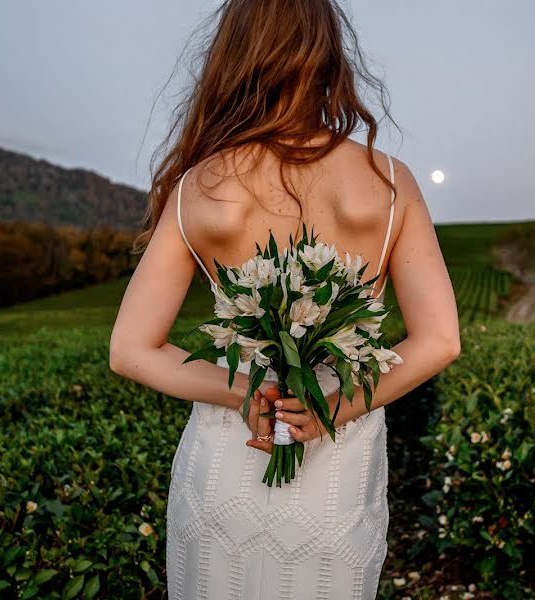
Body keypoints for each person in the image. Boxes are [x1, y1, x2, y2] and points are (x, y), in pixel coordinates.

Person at [108, 0, 460, 597]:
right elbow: (440, 340)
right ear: (328, 55)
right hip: (337, 471)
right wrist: (336, 405)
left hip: (226, 461)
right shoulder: (388, 181)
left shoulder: (202, 184)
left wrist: (246, 392)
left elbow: (131, 350)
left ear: (233, 58)